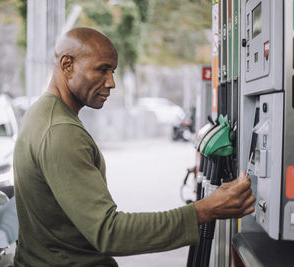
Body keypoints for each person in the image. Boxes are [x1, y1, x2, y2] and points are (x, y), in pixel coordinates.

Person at [13, 27, 255, 266]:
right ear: (67, 65)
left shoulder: (41, 114)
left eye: (113, 71)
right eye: (102, 70)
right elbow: (109, 233)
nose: (111, 82)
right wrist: (204, 210)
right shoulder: (60, 131)